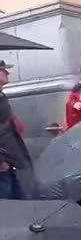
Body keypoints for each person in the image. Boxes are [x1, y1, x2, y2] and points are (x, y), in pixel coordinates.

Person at [0, 61, 31, 200]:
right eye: (3, 70)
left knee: (20, 203)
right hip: (2, 162)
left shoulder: (1, 95)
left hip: (8, 158)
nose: (8, 73)